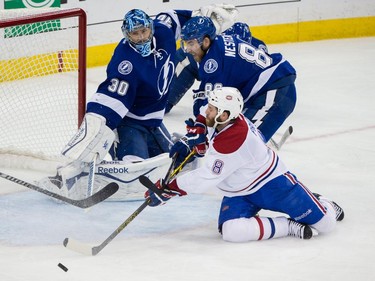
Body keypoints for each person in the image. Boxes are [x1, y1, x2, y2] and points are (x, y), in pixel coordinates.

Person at [38, 5, 239, 199]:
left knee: (179, 164)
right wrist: (98, 129)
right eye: (135, 34)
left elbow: (174, 17)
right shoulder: (124, 62)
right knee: (134, 170)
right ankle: (71, 175)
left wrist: (199, 18)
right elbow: (110, 102)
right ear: (127, 35)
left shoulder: (163, 31)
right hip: (129, 123)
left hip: (154, 122)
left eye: (144, 31)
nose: (141, 37)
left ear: (151, 27)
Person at [145, 87, 344, 242]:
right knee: (232, 232)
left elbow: (205, 177)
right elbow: (205, 120)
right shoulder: (227, 118)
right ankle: (288, 226)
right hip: (240, 189)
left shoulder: (233, 139)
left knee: (326, 224)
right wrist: (198, 130)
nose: (207, 110)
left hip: (274, 185)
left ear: (223, 115)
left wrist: (168, 188)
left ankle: (322, 202)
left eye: (212, 109)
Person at [170, 16, 298, 166]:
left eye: (191, 43)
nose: (188, 50)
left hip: (277, 93)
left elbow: (211, 105)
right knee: (230, 134)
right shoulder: (216, 48)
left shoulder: (214, 62)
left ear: (205, 41)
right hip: (263, 92)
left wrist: (194, 134)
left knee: (244, 145)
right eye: (185, 44)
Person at [165, 22, 267, 115]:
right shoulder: (213, 48)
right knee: (164, 102)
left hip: (221, 70)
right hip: (192, 63)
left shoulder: (258, 49)